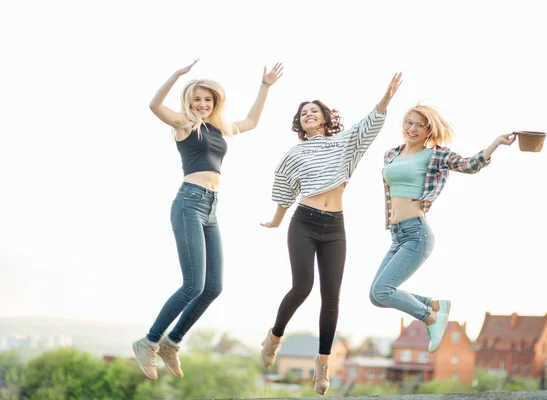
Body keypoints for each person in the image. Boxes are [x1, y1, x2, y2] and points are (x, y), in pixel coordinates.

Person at [132, 59, 284, 380]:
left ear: (215, 102)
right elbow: (154, 105)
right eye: (197, 99)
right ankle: (149, 342)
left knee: (213, 287)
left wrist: (265, 86)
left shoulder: (219, 129)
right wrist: (176, 76)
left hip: (211, 207)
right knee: (192, 286)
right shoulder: (184, 124)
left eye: (207, 100)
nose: (202, 104)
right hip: (188, 202)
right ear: (188, 102)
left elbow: (253, 121)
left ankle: (172, 343)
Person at [260, 72, 403, 395]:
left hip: (335, 226)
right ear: (300, 124)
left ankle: (322, 366)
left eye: (314, 111)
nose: (308, 115)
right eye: (302, 114)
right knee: (302, 287)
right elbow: (284, 191)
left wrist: (386, 98)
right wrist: (276, 220)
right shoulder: (294, 154)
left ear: (325, 117)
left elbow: (370, 124)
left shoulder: (345, 143)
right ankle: (274, 337)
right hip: (304, 222)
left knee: (332, 297)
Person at [369, 103, 516, 352]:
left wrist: (496, 144)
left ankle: (431, 317)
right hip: (397, 235)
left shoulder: (435, 155)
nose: (412, 129)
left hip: (417, 233)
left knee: (383, 291)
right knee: (376, 296)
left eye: (419, 125)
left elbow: (470, 164)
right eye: (409, 122)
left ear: (429, 130)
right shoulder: (390, 155)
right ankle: (435, 306)